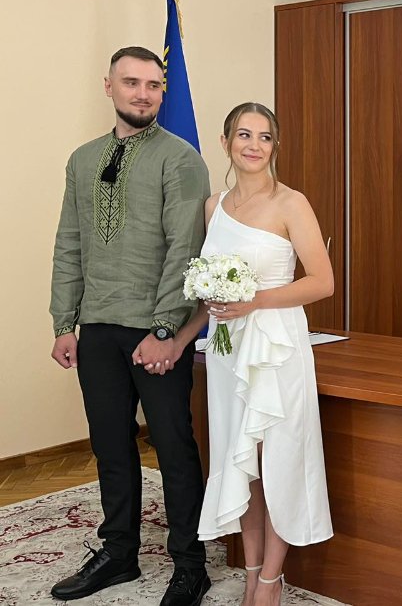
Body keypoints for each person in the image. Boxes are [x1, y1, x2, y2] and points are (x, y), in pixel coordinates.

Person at [49, 47, 211, 604]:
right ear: (109, 86)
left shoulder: (181, 158)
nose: (144, 93)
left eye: (154, 85)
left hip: (154, 330)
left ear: (163, 92)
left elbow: (185, 249)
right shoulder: (82, 159)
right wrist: (64, 321)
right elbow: (70, 242)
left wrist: (165, 330)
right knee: (111, 446)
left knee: (173, 446)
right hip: (96, 328)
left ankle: (190, 565)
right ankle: (119, 554)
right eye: (132, 82)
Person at [164, 102, 334, 606]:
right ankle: (252, 568)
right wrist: (187, 332)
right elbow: (207, 289)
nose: (254, 145)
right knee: (243, 461)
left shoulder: (291, 203)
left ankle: (271, 580)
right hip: (226, 348)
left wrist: (254, 300)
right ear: (226, 143)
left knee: (276, 459)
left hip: (276, 345)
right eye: (244, 134)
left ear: (274, 146)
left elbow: (322, 282)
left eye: (264, 137)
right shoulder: (213, 207)